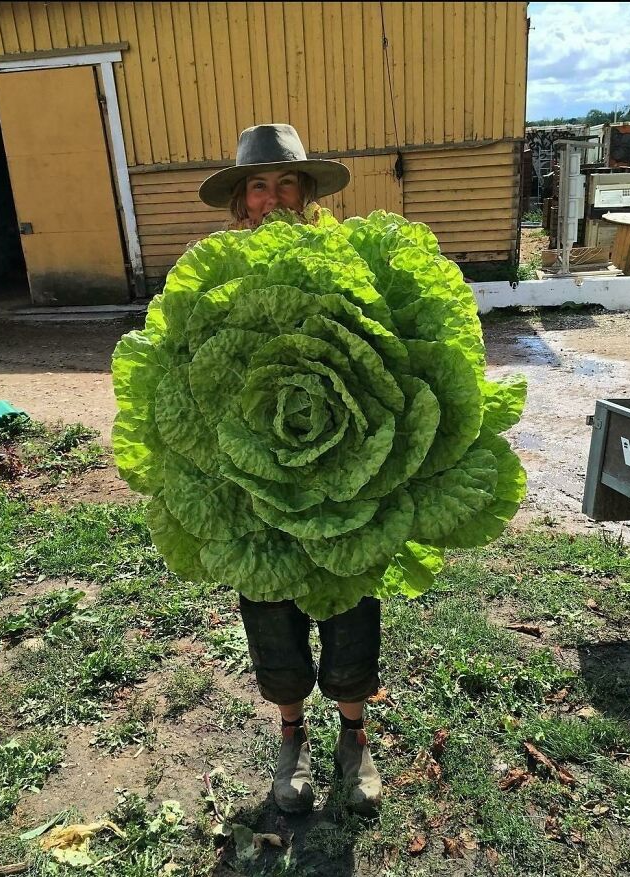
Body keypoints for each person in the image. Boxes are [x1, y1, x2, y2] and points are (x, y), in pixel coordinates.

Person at [198, 124, 383, 817]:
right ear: (241, 199)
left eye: (285, 183)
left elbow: (387, 352)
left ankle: (355, 737)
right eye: (257, 184)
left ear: (305, 193)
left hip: (349, 466)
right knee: (270, 614)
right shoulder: (212, 266)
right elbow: (186, 373)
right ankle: (292, 736)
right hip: (250, 477)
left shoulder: (346, 253)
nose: (271, 197)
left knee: (351, 609)